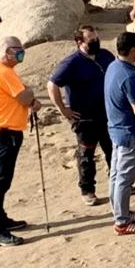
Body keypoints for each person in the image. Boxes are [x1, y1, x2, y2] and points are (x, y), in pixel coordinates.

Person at [47, 25, 115, 207]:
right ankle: (87, 190)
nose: (96, 42)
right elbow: (52, 85)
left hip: (107, 114)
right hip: (85, 118)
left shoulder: (105, 55)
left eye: (97, 38)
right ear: (80, 42)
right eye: (91, 40)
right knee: (86, 154)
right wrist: (63, 110)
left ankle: (117, 184)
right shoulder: (71, 63)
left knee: (113, 150)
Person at [0, 36, 37, 247]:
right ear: (6, 51)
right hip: (5, 134)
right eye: (18, 50)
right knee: (0, 181)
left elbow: (23, 94)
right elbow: (25, 96)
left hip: (5, 132)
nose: (21, 53)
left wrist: (28, 94)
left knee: (4, 180)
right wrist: (30, 96)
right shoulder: (3, 72)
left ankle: (1, 218)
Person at [104, 30, 135, 236]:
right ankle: (122, 221)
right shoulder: (128, 76)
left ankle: (119, 212)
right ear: (134, 50)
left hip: (117, 130)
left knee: (116, 175)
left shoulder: (114, 67)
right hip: (130, 132)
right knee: (125, 178)